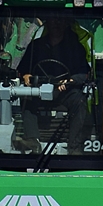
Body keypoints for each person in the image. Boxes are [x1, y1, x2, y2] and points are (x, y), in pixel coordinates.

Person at [16, 18, 90, 153]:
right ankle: (33, 141)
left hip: (64, 92)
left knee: (79, 100)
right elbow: (23, 69)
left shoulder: (75, 47)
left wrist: (70, 81)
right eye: (53, 20)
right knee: (26, 97)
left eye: (60, 21)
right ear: (47, 24)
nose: (56, 24)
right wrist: (26, 76)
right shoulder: (35, 46)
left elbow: (84, 73)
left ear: (66, 24)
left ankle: (74, 147)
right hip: (38, 90)